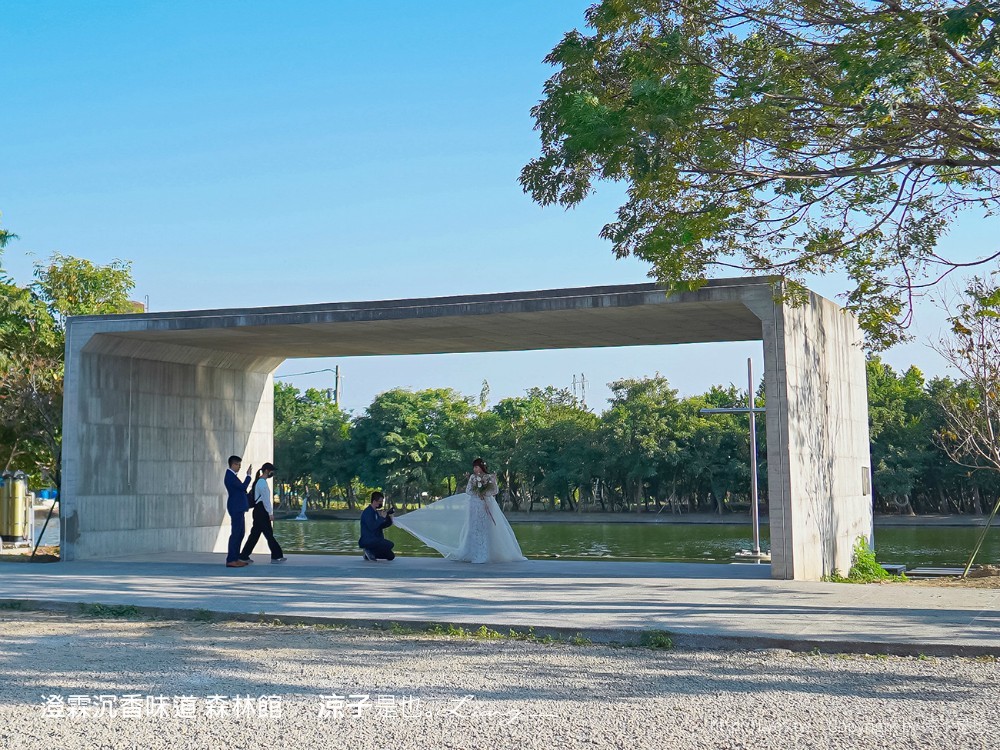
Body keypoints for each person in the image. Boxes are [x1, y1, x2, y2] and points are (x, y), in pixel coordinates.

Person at [393, 458, 525, 564]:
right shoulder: (473, 478)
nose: (475, 469)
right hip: (475, 505)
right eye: (474, 467)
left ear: (482, 467)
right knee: (474, 528)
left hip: (486, 505)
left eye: (477, 466)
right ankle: (473, 553)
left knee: (486, 528)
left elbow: (494, 491)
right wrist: (477, 491)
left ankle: (487, 553)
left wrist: (488, 487)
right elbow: (468, 491)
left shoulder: (489, 477)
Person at [239, 462, 286, 564]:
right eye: (271, 471)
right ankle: (276, 556)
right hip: (262, 511)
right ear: (266, 471)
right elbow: (265, 500)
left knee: (255, 535)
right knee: (268, 534)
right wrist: (270, 513)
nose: (272, 473)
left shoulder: (258, 482)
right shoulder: (262, 483)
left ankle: (244, 555)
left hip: (258, 511)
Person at [224, 455, 253, 568]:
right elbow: (242, 487)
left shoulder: (232, 476)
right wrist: (248, 476)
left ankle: (235, 557)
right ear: (233, 464)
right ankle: (231, 559)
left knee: (240, 533)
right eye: (238, 465)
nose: (239, 467)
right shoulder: (230, 476)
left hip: (238, 507)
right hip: (236, 507)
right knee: (236, 533)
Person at [359, 491, 396, 561]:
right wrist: (382, 518)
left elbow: (380, 526)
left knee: (391, 556)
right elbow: (372, 527)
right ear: (374, 501)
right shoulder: (367, 512)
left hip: (376, 540)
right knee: (390, 545)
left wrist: (388, 518)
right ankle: (368, 549)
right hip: (368, 540)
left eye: (382, 502)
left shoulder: (375, 512)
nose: (381, 503)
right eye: (380, 501)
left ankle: (370, 553)